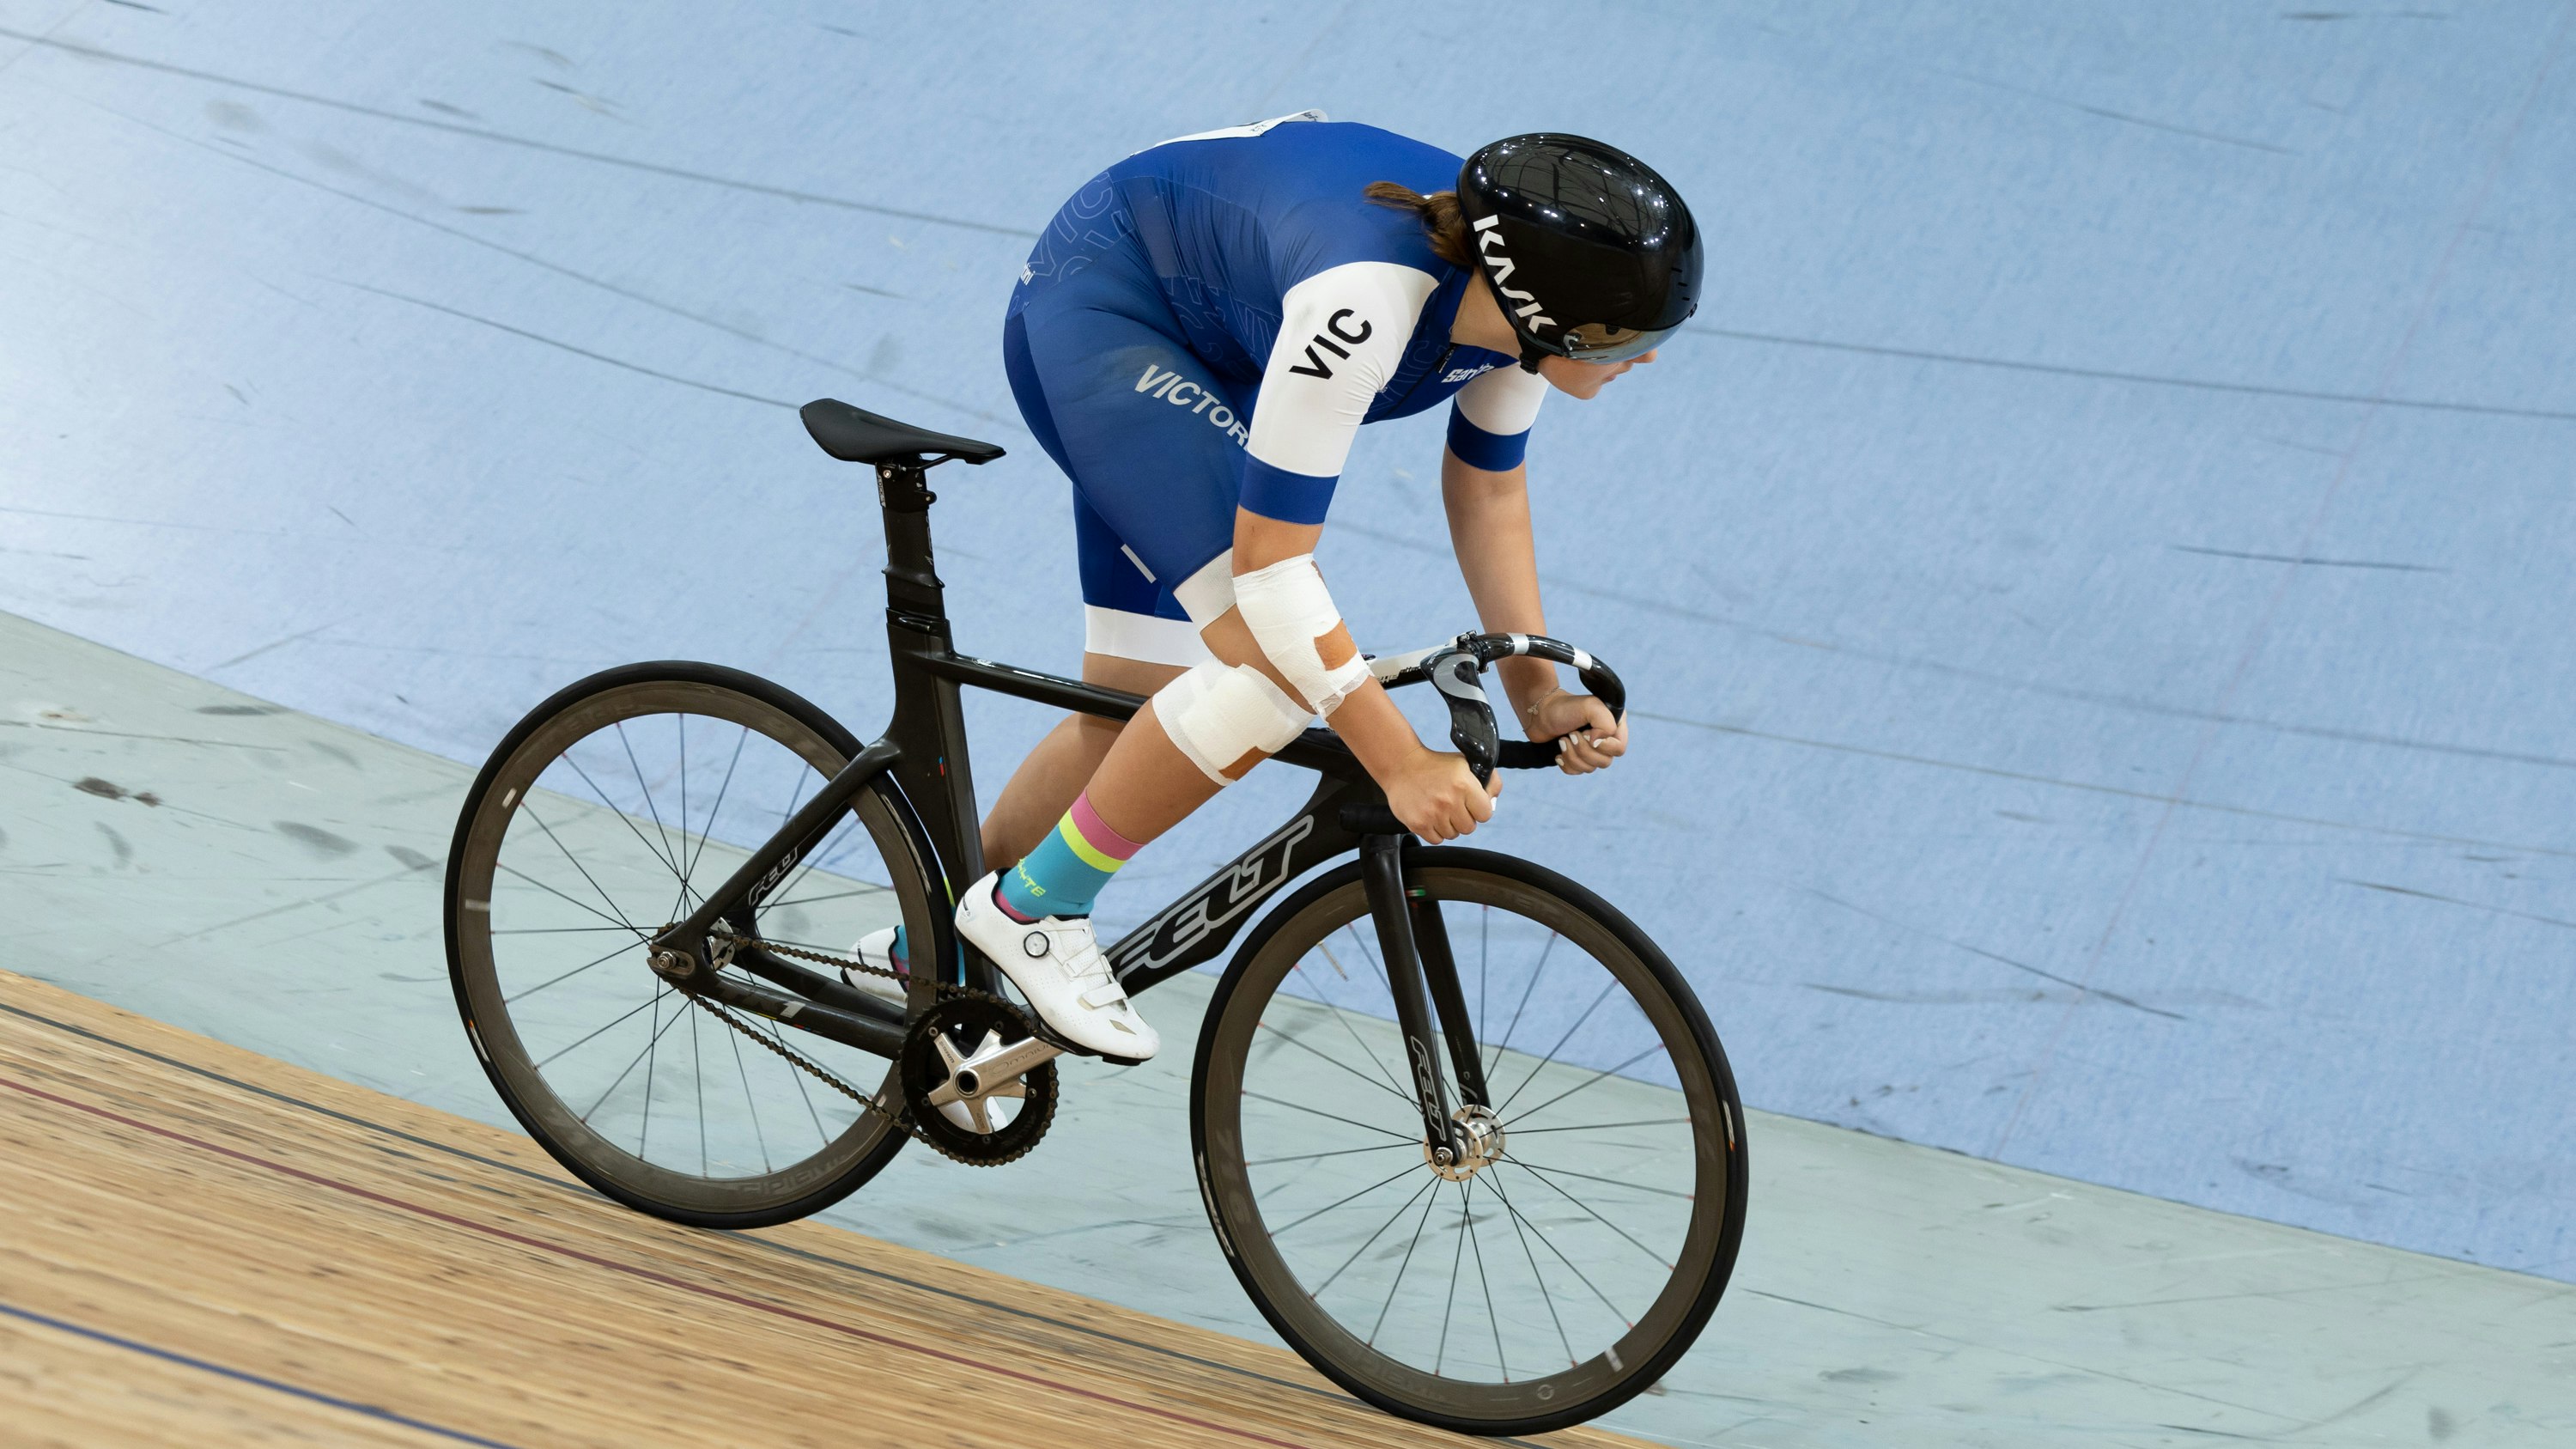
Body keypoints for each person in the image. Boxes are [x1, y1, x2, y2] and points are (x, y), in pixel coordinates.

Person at [848, 115, 1702, 1063]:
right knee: (1278, 664)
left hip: (1221, 338)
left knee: (1135, 705)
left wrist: (1537, 693)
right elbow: (1271, 571)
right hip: (1108, 313)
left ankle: (925, 950)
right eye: (1631, 334)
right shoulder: (1368, 303)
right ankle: (1032, 908)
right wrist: (1398, 761)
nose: (1651, 355)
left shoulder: (1513, 308)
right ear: (1550, 315)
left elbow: (1489, 487)